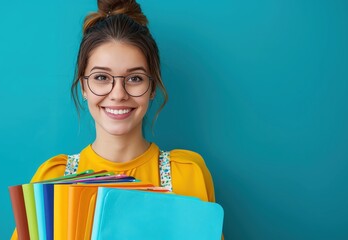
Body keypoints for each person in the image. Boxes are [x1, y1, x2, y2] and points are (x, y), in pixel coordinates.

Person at [11, 0, 217, 239]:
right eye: (101, 77)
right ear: (83, 87)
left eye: (135, 78)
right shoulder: (51, 181)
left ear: (152, 88)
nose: (118, 94)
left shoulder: (189, 174)